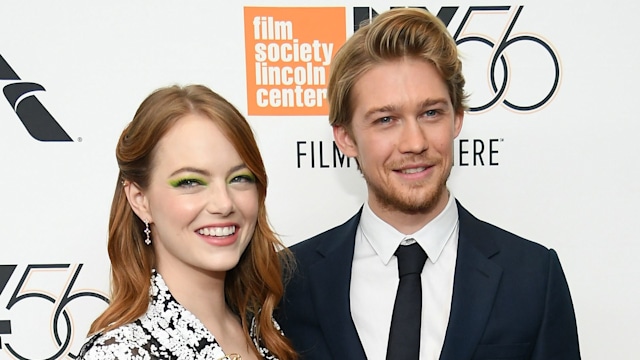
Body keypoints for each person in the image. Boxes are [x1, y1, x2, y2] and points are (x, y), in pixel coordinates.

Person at [277, 8, 580, 360]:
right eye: (386, 119)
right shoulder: (286, 283)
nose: (414, 143)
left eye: (431, 113)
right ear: (345, 138)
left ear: (457, 119)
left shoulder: (531, 277)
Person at [78, 85, 297, 360]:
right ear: (140, 200)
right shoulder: (121, 353)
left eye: (239, 178)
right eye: (190, 182)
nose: (224, 203)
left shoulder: (268, 331)